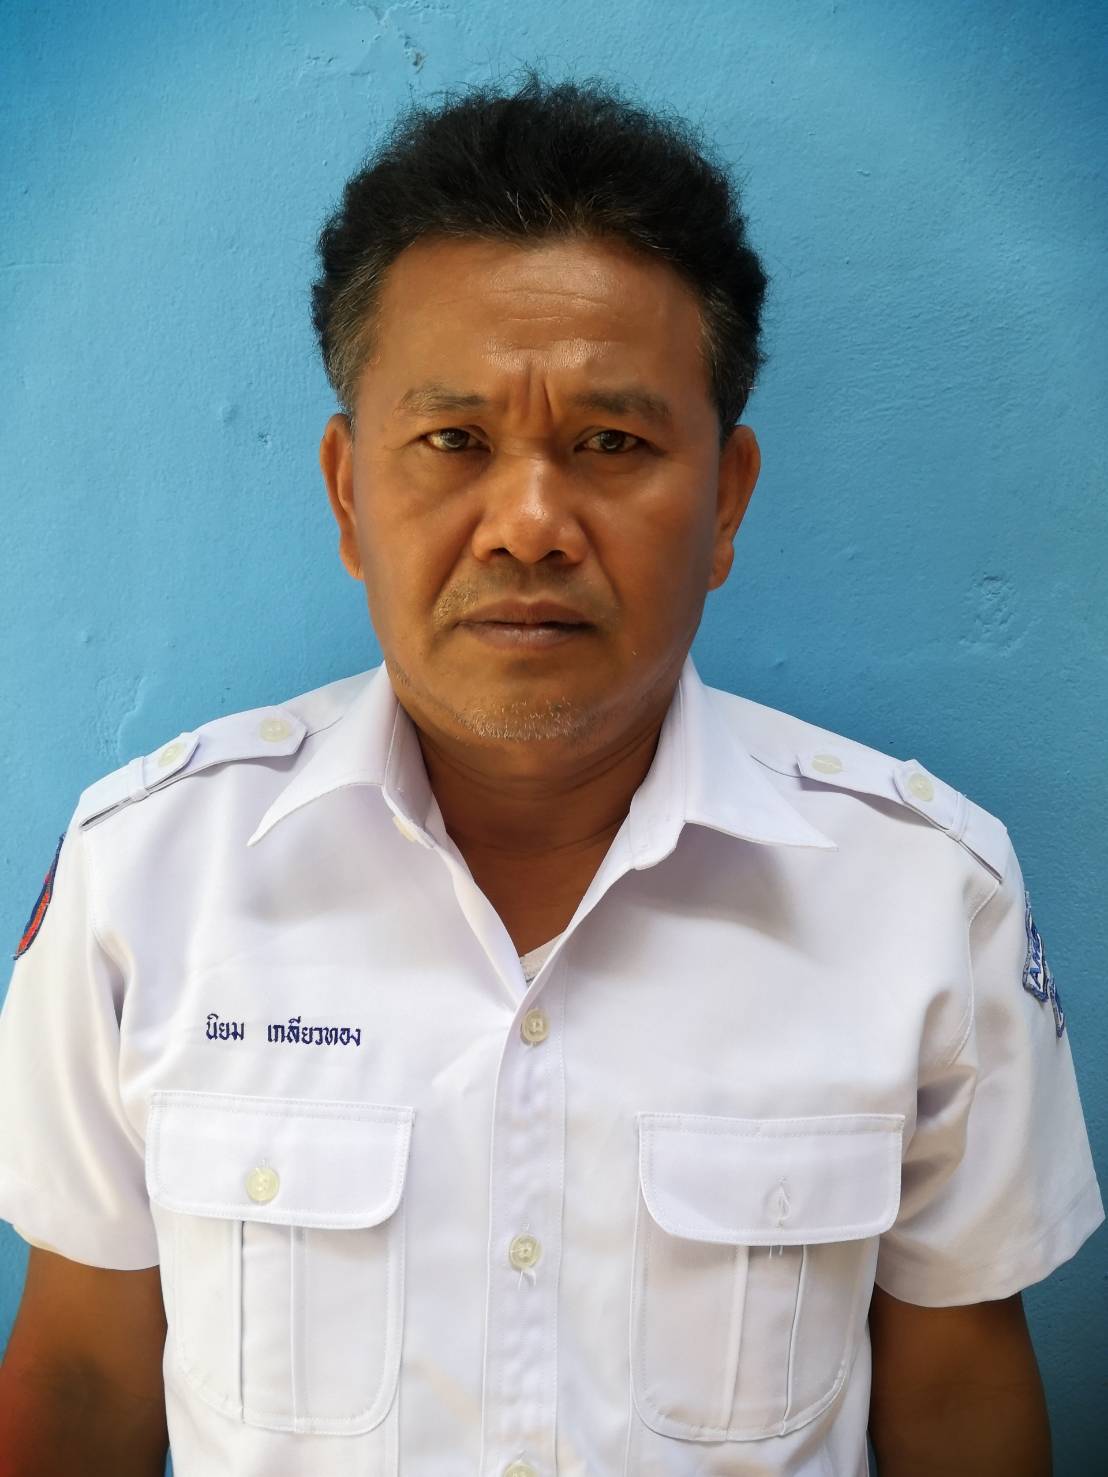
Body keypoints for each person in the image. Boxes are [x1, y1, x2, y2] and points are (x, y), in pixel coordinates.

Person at [0, 66, 1101, 1477]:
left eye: (612, 443)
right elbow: (83, 1379)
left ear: (726, 500)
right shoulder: (144, 879)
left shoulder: (926, 898)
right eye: (454, 440)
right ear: (348, 491)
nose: (528, 524)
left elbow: (956, 1401)